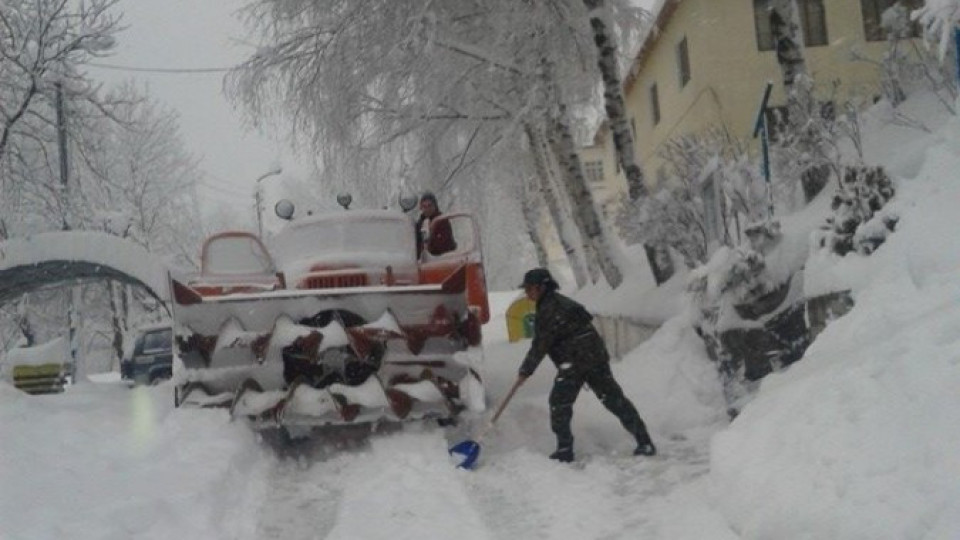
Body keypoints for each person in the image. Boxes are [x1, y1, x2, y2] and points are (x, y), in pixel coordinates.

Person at [516, 267, 656, 462]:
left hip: (574, 361)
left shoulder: (549, 308)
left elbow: (541, 344)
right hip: (594, 356)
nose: (527, 293)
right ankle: (645, 441)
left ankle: (564, 450)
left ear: (541, 287)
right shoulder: (560, 302)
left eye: (529, 288)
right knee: (614, 399)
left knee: (559, 403)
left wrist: (525, 370)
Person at [415, 192, 456, 257]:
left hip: (443, 258)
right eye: (424, 206)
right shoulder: (420, 223)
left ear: (435, 206)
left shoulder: (442, 221)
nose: (427, 209)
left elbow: (444, 244)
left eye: (429, 206)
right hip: (424, 261)